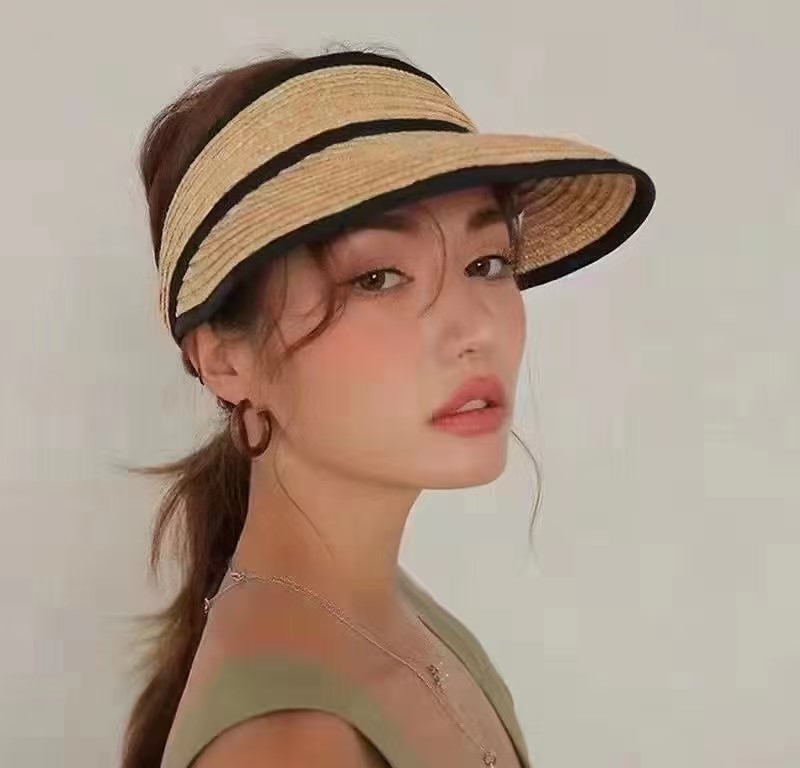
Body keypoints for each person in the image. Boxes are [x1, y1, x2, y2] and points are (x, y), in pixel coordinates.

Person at [120, 45, 656, 768]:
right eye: (377, 278)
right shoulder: (289, 746)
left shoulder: (386, 613)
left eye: (487, 263)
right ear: (226, 360)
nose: (474, 329)